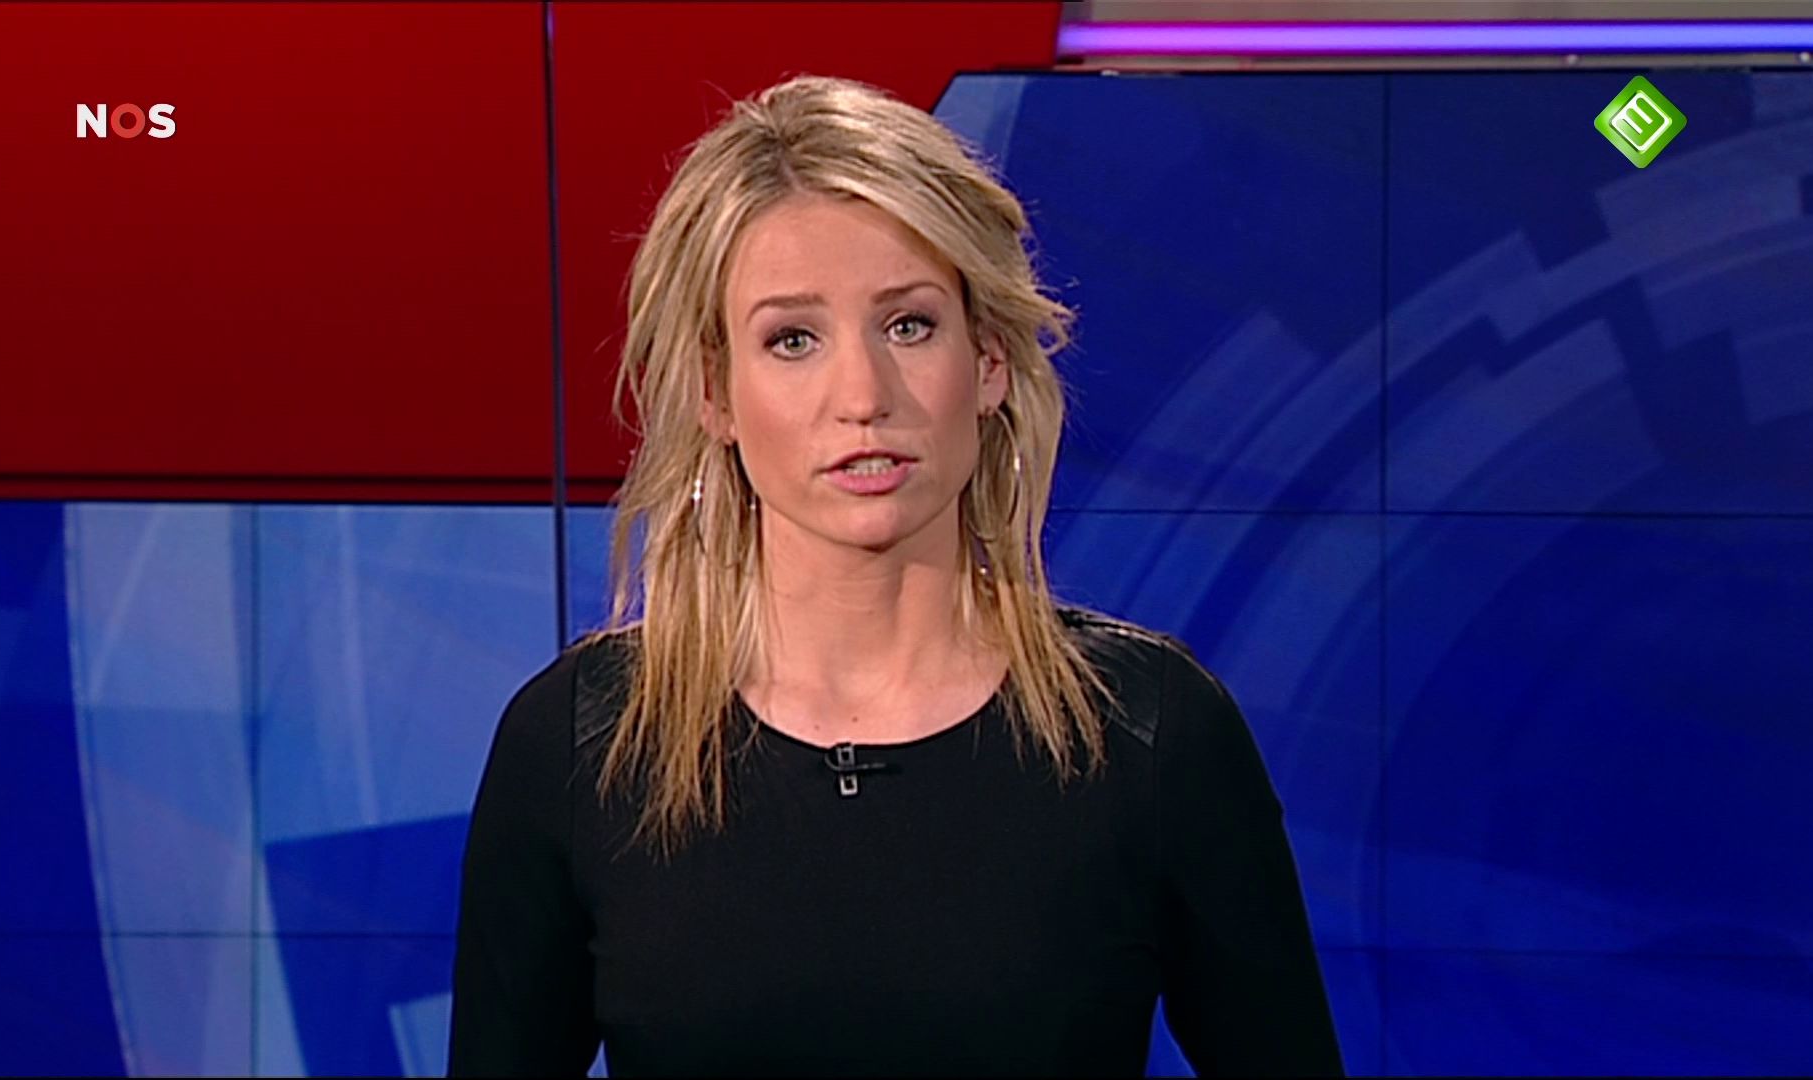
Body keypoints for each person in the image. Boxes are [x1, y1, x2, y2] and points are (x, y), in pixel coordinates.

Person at [448, 74, 1344, 1078]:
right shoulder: (582, 747)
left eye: (909, 325)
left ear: (989, 360)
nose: (862, 395)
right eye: (793, 339)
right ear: (715, 392)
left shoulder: (1148, 733)